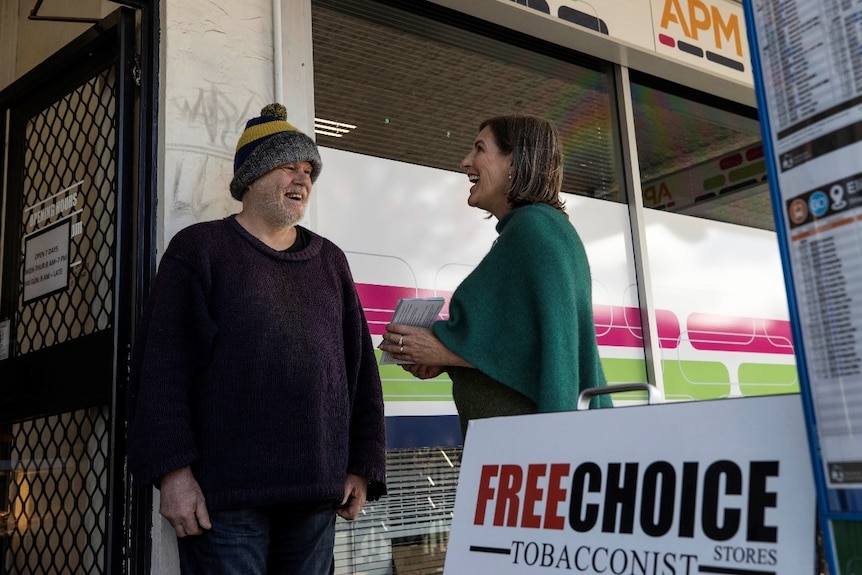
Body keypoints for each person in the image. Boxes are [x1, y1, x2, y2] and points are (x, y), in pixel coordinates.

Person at [127, 103, 387, 575]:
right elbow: (162, 370)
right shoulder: (199, 250)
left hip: (315, 496)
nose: (303, 179)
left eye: (309, 170)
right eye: (290, 166)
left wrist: (362, 466)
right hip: (224, 503)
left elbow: (360, 374)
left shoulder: (330, 261)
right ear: (252, 175)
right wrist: (172, 474)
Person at [379, 114, 611, 439]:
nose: (465, 162)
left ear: (515, 161)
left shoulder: (534, 231)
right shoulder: (542, 229)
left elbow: (544, 349)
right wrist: (447, 359)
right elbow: (521, 337)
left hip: (526, 452)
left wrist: (443, 351)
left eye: (479, 149)